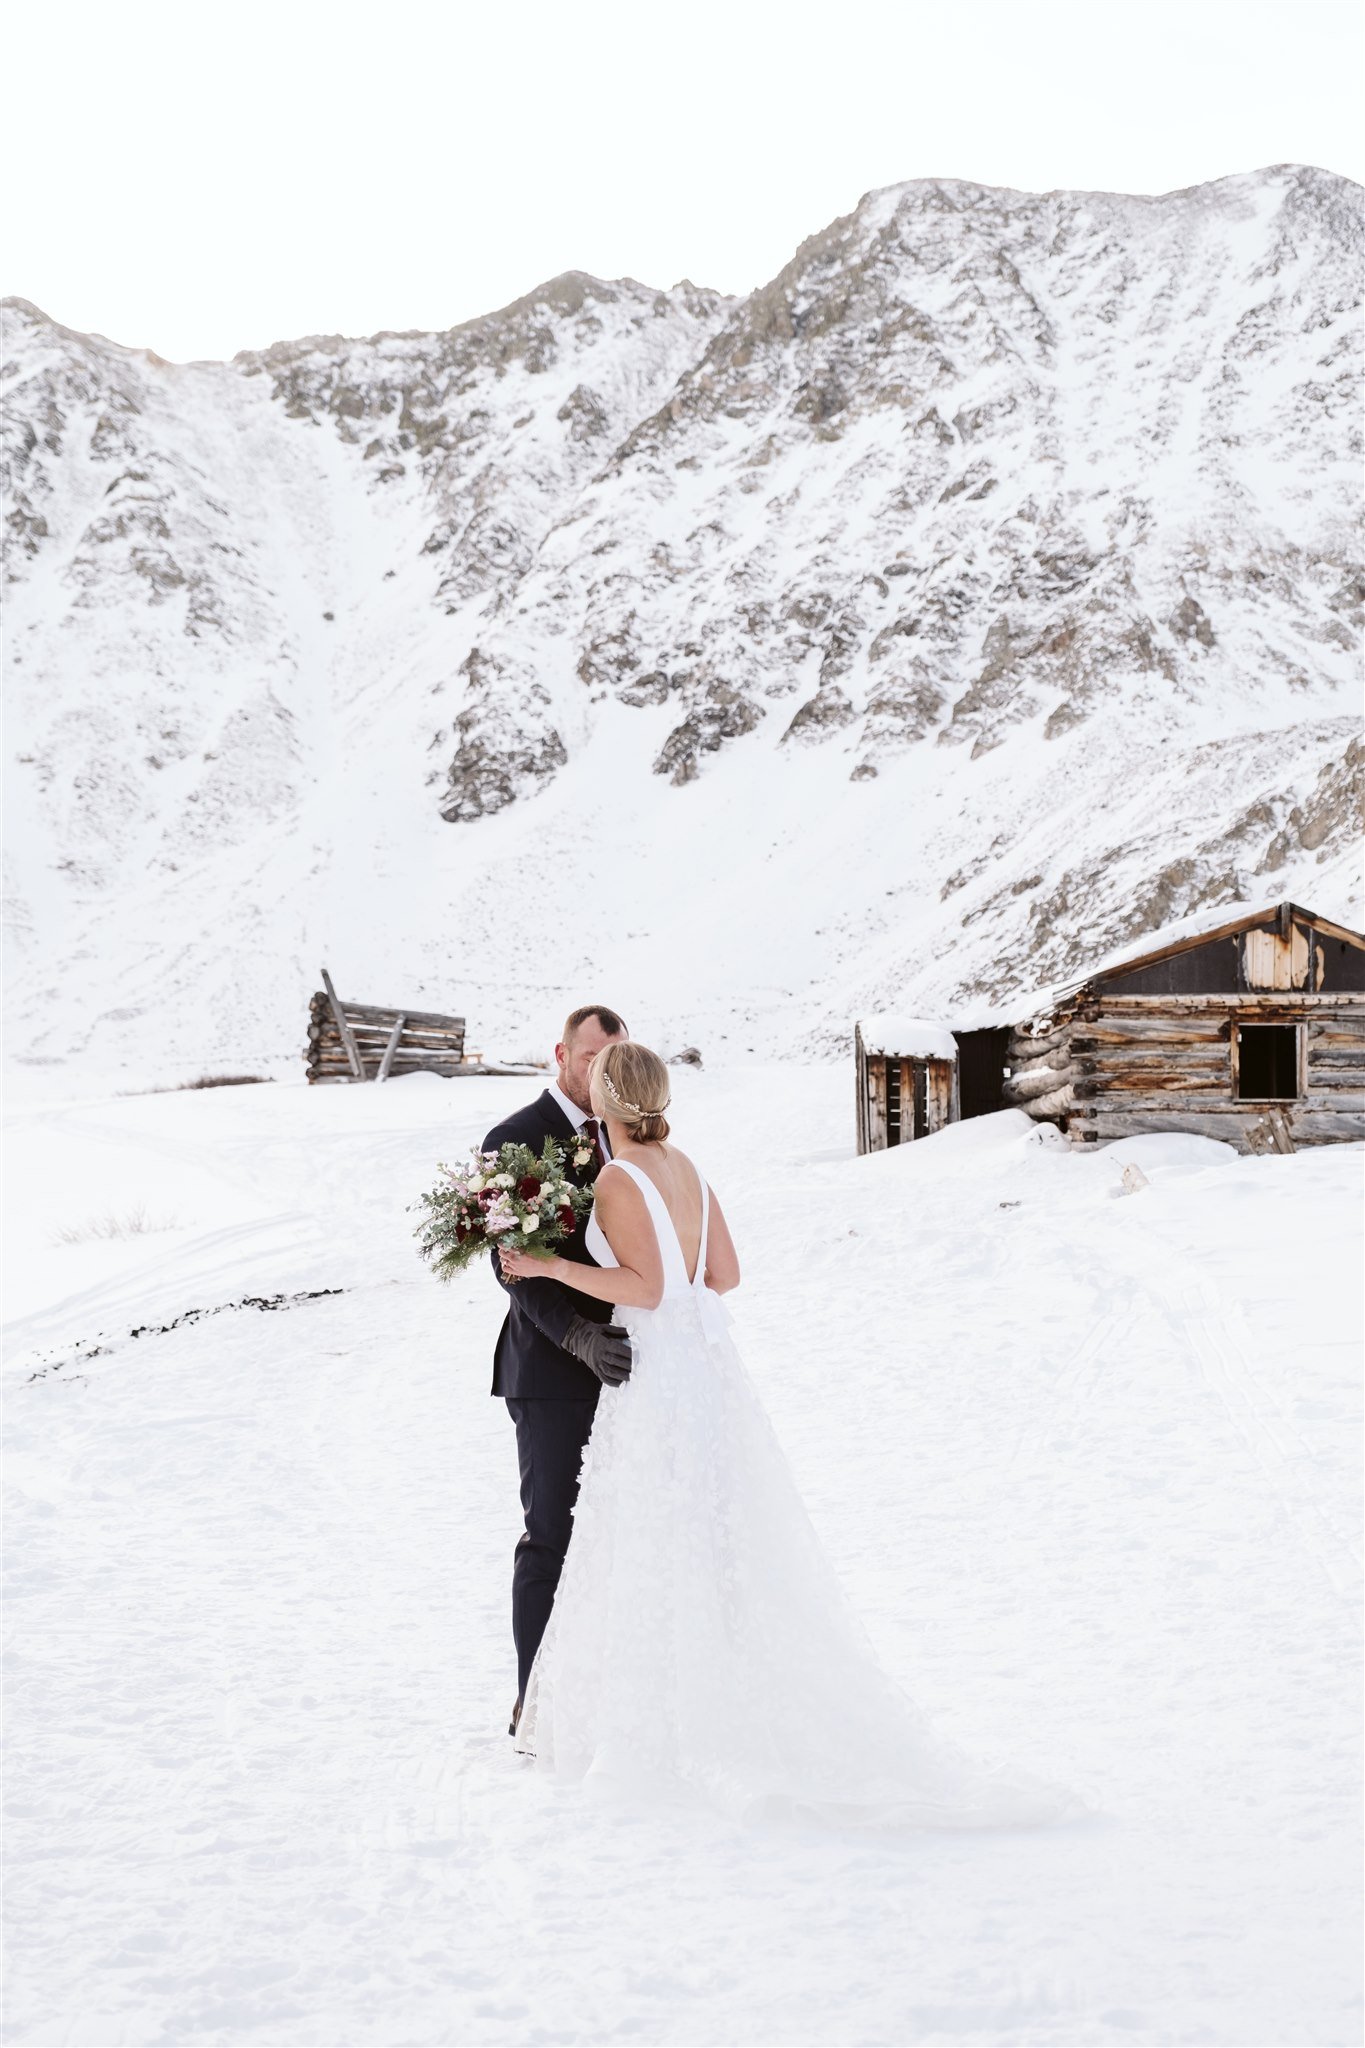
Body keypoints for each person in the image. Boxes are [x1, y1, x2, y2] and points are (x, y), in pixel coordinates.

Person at [498, 1039, 1081, 1830]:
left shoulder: (616, 1175)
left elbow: (650, 1285)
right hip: (701, 1371)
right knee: (707, 1531)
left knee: (646, 1532)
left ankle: (662, 1720)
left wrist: (553, 1270)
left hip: (652, 1379)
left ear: (606, 1100)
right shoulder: (688, 1169)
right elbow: (723, 1276)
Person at [482, 1004, 632, 1740]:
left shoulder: (632, 1137)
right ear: (561, 1056)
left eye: (617, 1056)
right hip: (549, 1371)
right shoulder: (513, 1139)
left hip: (637, 1371)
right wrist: (575, 1335)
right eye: (592, 1056)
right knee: (552, 1538)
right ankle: (534, 1700)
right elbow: (511, 1267)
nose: (604, 1069)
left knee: (629, 1535)